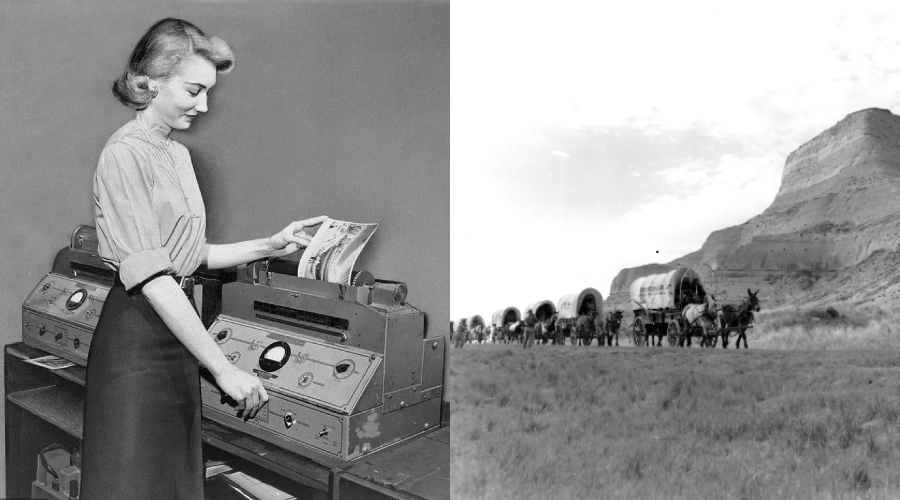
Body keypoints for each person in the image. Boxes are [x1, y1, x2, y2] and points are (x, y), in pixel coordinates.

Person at [82, 18, 327, 500]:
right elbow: (152, 278)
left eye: (208, 91)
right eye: (194, 89)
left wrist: (270, 245)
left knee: (174, 480)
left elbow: (189, 256)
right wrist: (223, 368)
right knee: (130, 481)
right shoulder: (123, 155)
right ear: (148, 83)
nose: (204, 104)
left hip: (178, 330)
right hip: (135, 336)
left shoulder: (176, 156)